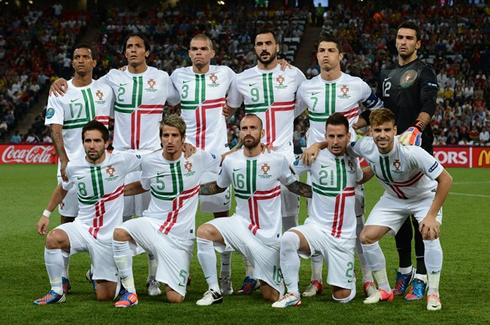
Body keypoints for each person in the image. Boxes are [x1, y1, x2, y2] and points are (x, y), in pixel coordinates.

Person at [51, 33, 180, 296]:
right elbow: (83, 84)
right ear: (124, 53)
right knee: (114, 220)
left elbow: (177, 105)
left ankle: (153, 278)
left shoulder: (162, 78)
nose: (133, 50)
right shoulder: (112, 78)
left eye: (138, 46)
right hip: (120, 157)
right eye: (129, 47)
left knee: (152, 220)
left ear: (147, 52)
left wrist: (178, 140)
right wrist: (59, 82)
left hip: (152, 156)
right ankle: (106, 269)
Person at [297, 33, 384, 298]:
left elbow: (378, 109)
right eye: (321, 50)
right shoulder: (306, 88)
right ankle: (316, 279)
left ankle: (368, 279)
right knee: (315, 221)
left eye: (331, 50)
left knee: (357, 222)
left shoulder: (356, 85)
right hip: (317, 163)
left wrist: (358, 125)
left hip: (349, 163)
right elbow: (290, 111)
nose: (325, 54)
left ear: (340, 56)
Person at [358, 21, 439, 301]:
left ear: (418, 44)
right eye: (400, 37)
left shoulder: (424, 71)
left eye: (409, 38)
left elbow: (429, 103)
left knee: (420, 217)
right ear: (395, 41)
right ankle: (405, 271)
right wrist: (351, 126)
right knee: (399, 214)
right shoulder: (386, 73)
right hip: (389, 152)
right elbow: (377, 111)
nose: (403, 42)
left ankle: (421, 277)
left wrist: (417, 128)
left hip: (416, 150)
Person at [195, 114, 311, 306]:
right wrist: (192, 189)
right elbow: (219, 186)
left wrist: (323, 194)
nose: (248, 132)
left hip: (268, 238)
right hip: (239, 226)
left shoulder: (277, 160)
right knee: (204, 232)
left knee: (271, 296)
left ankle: (275, 276)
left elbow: (293, 186)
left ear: (262, 132)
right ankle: (214, 290)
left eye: (253, 128)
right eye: (244, 128)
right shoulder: (231, 161)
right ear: (239, 133)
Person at [112, 114, 223, 307]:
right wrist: (117, 192)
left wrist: (255, 151)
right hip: (152, 225)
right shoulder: (150, 161)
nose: (169, 140)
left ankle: (171, 272)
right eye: (165, 135)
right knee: (120, 233)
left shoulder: (198, 156)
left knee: (175, 298)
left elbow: (224, 160)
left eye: (174, 135)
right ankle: (129, 292)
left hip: (180, 238)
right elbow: (144, 186)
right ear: (160, 137)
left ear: (183, 138)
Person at [226, 29, 307, 294]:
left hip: (283, 154)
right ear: (254, 48)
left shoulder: (294, 74)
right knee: (252, 216)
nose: (264, 47)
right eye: (259, 43)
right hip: (252, 156)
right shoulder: (242, 78)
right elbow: (231, 108)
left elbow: (303, 104)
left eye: (268, 43)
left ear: (277, 46)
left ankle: (289, 273)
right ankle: (252, 273)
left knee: (289, 216)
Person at [351, 108, 451, 311]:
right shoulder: (365, 146)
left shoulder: (410, 150)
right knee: (366, 237)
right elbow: (343, 146)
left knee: (429, 233)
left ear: (395, 130)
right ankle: (385, 290)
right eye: (377, 130)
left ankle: (433, 293)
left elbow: (446, 179)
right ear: (370, 132)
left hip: (422, 197)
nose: (382, 135)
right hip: (393, 199)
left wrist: (431, 215)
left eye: (387, 130)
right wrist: (319, 145)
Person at [34, 120, 142, 305]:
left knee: (105, 297)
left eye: (97, 141)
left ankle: (96, 274)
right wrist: (46, 213)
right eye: (87, 141)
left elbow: (155, 159)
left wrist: (185, 149)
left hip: (108, 236)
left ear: (107, 143)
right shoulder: (74, 167)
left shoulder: (122, 160)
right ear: (82, 142)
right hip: (82, 228)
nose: (92, 146)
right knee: (53, 238)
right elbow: (63, 188)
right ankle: (57, 291)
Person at [273, 113, 368, 308]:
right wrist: (310, 191)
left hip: (343, 238)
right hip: (316, 229)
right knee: (288, 239)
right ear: (325, 136)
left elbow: (359, 177)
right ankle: (292, 293)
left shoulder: (353, 158)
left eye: (340, 136)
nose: (335, 141)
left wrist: (378, 167)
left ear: (348, 137)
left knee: (342, 297)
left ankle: (346, 274)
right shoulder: (312, 156)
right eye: (330, 136)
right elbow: (286, 175)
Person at [170, 34, 240, 295]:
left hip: (217, 157)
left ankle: (225, 274)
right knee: (180, 217)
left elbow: (233, 103)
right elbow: (169, 100)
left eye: (203, 49)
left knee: (220, 219)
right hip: (186, 157)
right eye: (193, 49)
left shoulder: (226, 74)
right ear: (188, 53)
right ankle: (180, 270)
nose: (198, 53)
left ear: (212, 53)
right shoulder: (177, 76)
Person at [44, 43, 113, 292]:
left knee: (102, 218)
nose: (81, 60)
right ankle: (63, 274)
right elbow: (55, 128)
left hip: (103, 167)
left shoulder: (106, 89)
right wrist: (64, 160)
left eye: (86, 57)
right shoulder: (60, 91)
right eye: (76, 57)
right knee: (68, 218)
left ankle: (97, 270)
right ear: (72, 63)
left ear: (95, 63)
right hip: (73, 166)